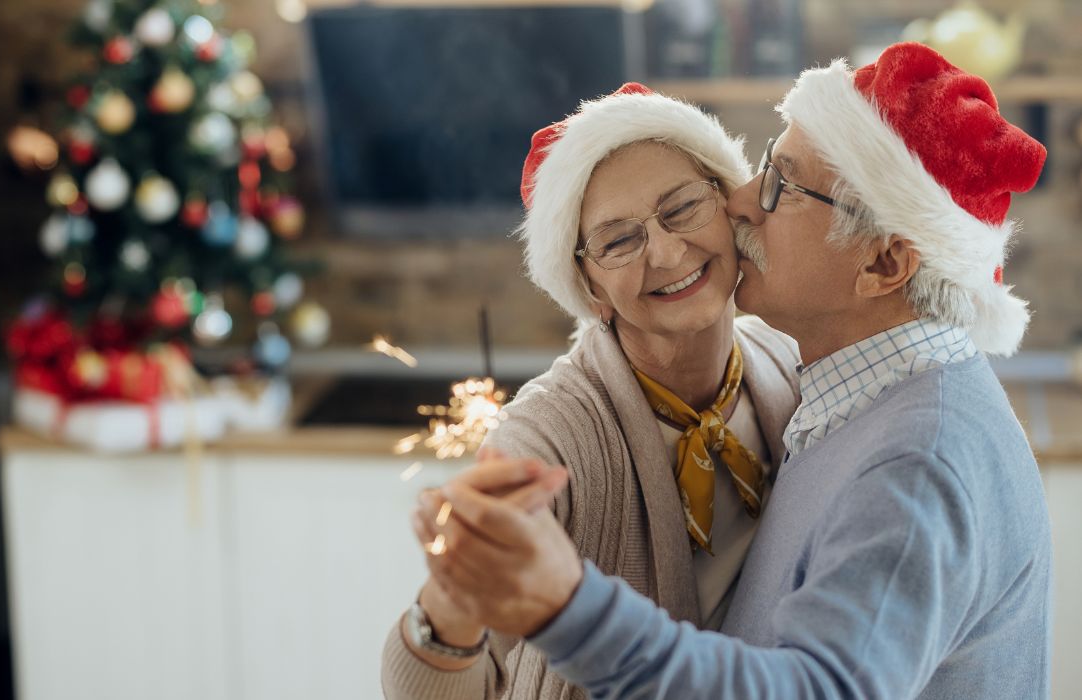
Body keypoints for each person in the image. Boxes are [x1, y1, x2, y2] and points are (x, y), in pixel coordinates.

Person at [415, 43, 1053, 699]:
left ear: (885, 266)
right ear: (589, 285)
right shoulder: (850, 394)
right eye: (618, 239)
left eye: (782, 183)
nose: (743, 201)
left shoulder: (912, 465)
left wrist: (568, 607)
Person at [380, 83, 801, 699]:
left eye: (683, 207)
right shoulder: (545, 436)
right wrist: (451, 598)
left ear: (730, 207)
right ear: (590, 289)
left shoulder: (790, 365)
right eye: (618, 240)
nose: (665, 250)